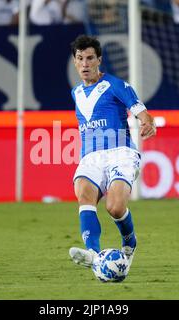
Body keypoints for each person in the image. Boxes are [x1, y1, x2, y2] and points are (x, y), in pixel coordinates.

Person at [68, 35, 157, 272]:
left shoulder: (116, 85)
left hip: (120, 152)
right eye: (80, 59)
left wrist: (147, 122)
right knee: (84, 196)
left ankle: (130, 242)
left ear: (99, 60)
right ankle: (94, 254)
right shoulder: (75, 93)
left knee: (115, 207)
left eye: (89, 58)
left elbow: (140, 110)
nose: (85, 64)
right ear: (75, 62)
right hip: (90, 157)